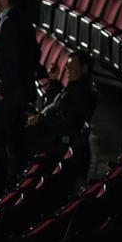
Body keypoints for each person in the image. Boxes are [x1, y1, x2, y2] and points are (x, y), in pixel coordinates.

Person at [0, 0, 38, 192]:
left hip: (9, 95)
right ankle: (13, 190)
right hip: (18, 93)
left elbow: (14, 64)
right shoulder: (20, 19)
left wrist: (2, 92)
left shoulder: (9, 24)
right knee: (14, 144)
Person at [26, 50, 98, 180]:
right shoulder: (74, 87)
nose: (67, 68)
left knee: (18, 133)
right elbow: (57, 105)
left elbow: (67, 124)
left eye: (71, 65)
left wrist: (40, 122)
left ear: (84, 68)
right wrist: (53, 80)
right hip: (58, 135)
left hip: (62, 141)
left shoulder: (84, 94)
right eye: (67, 66)